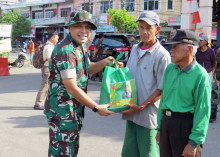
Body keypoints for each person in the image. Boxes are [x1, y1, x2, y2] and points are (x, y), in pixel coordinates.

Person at [44, 10, 122, 157]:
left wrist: (105, 63)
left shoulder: (79, 46)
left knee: (71, 151)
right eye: (79, 26)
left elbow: (88, 68)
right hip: (62, 114)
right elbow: (72, 87)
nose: (84, 31)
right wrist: (96, 107)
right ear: (69, 27)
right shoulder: (66, 50)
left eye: (88, 27)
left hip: (73, 111)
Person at [121, 11, 171, 157]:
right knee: (129, 154)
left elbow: (162, 88)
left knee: (149, 154)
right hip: (131, 114)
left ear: (157, 29)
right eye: (141, 27)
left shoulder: (162, 55)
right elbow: (130, 77)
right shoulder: (135, 49)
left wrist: (141, 106)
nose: (144, 31)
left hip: (149, 118)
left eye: (148, 28)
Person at [156, 29, 211, 157]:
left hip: (185, 126)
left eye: (175, 47)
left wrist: (193, 142)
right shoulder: (170, 69)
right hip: (166, 124)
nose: (171, 50)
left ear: (190, 49)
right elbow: (164, 100)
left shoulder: (200, 75)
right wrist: (160, 128)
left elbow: (203, 112)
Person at [33, 32, 59, 110]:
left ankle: (50, 103)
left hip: (47, 67)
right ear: (52, 38)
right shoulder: (49, 47)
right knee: (45, 86)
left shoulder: (49, 46)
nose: (57, 40)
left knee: (49, 86)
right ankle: (37, 104)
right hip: (47, 68)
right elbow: (49, 59)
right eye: (56, 38)